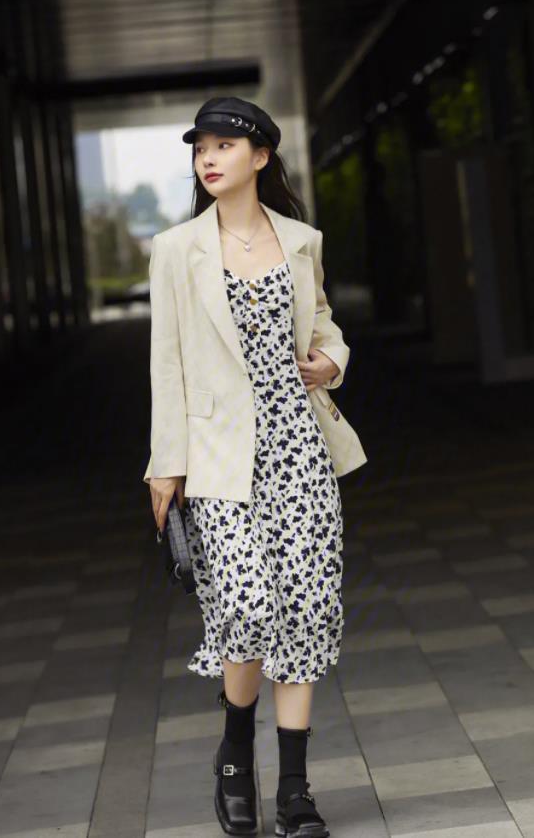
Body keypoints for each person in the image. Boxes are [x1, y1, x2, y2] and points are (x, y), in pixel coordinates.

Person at [143, 96, 367, 837]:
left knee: (304, 607)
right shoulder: (176, 249)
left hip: (299, 449)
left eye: (224, 145)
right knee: (244, 606)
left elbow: (323, 322)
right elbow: (166, 364)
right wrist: (164, 466)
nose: (208, 158)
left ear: (261, 156)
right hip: (218, 459)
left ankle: (295, 792)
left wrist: (331, 359)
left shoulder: (301, 241)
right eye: (200, 147)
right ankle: (235, 753)